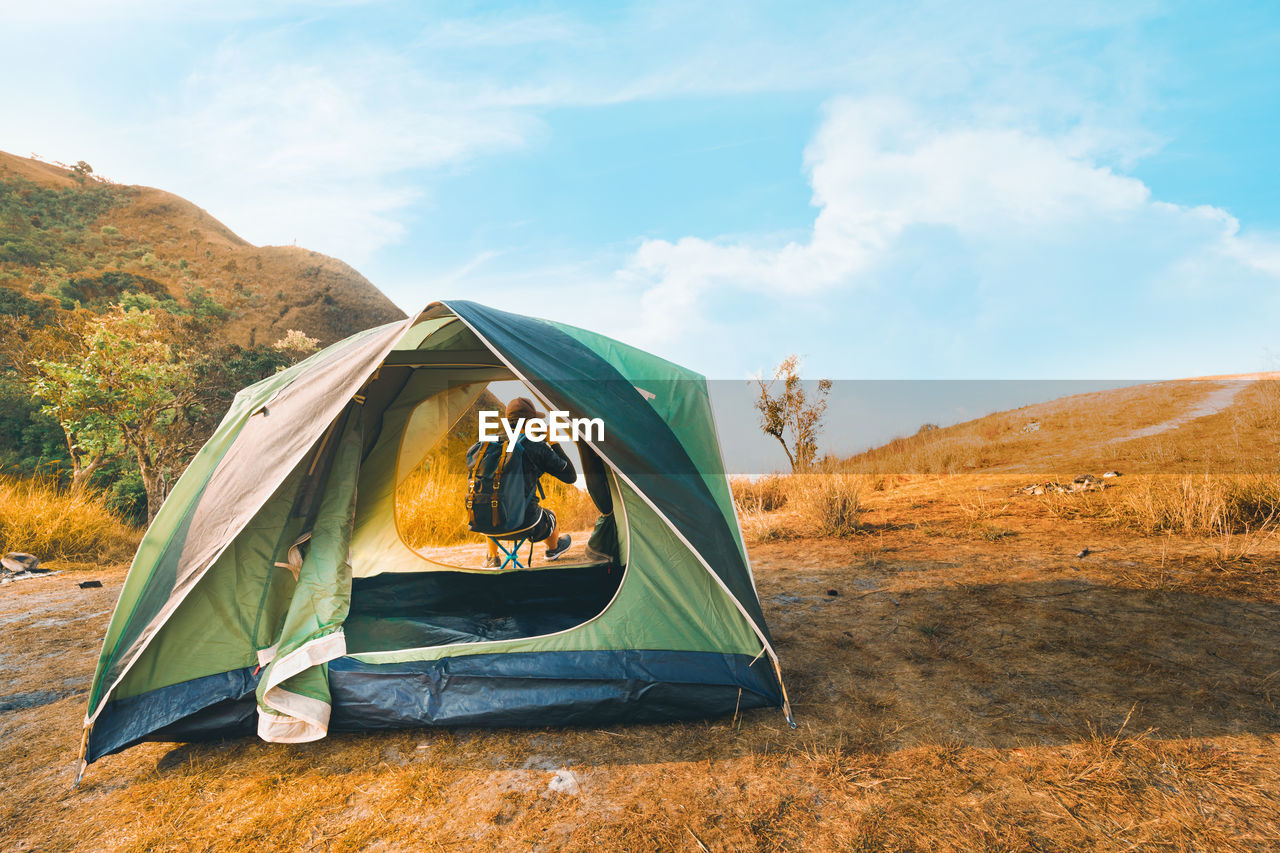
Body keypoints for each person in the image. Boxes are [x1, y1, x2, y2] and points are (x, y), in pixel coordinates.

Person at [480, 397, 576, 568]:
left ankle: (492, 557)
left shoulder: (489, 444)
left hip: (486, 524)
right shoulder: (536, 446)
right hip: (527, 524)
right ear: (530, 422)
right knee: (550, 515)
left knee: (493, 501)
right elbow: (570, 476)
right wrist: (553, 441)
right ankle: (553, 549)